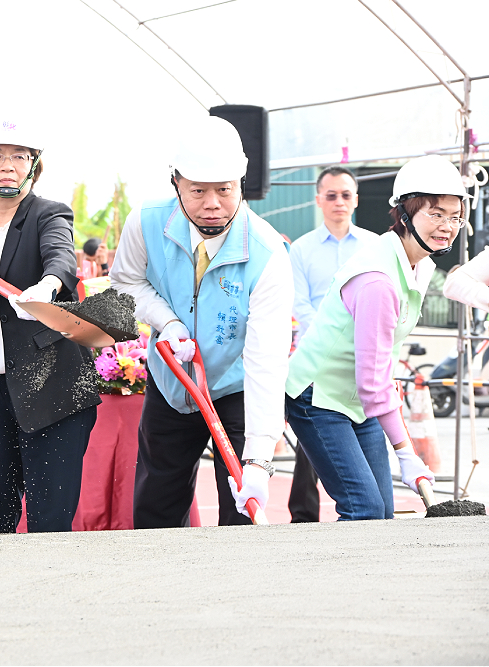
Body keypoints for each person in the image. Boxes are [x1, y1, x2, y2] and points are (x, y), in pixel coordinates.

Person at [110, 115, 293, 527]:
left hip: (235, 387)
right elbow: (125, 282)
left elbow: (266, 359)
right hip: (171, 382)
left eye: (224, 190)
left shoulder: (267, 253)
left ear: (242, 183)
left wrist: (260, 459)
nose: (212, 203)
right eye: (197, 190)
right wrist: (168, 322)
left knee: (241, 510)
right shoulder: (146, 221)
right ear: (175, 182)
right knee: (158, 502)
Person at [0, 117, 100, 533]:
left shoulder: (49, 214)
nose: (7, 165)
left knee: (49, 520)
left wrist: (46, 288)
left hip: (51, 385)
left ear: (34, 164)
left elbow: (61, 260)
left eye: (18, 156)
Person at [284, 155, 463, 520]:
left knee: (382, 515)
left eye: (455, 216)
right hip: (317, 396)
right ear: (405, 214)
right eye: (435, 214)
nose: (447, 226)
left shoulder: (421, 264)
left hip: (360, 396)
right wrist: (406, 452)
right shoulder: (378, 279)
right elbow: (371, 380)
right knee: (364, 509)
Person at [287, 166, 379, 523]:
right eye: (331, 195)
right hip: (314, 364)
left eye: (345, 195)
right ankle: (304, 515)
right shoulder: (301, 250)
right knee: (311, 447)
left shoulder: (374, 246)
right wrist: (331, 340)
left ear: (355, 200)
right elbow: (299, 305)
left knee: (362, 462)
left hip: (362, 362)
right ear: (318, 201)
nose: (339, 202)